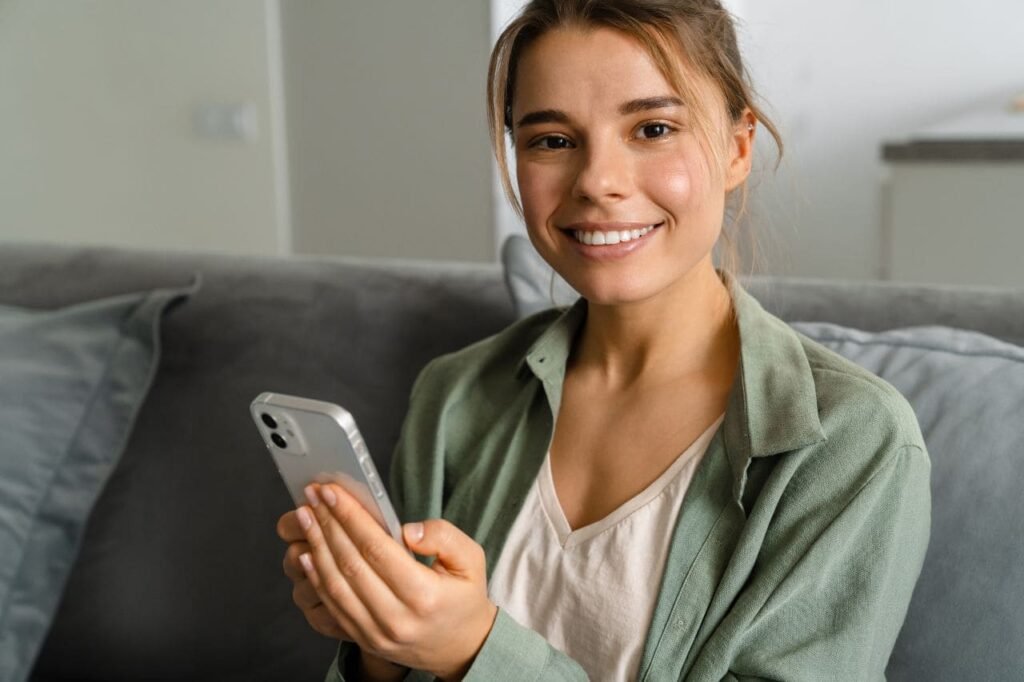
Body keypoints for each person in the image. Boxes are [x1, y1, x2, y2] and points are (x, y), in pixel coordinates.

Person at [276, 1, 931, 680]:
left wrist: (475, 649)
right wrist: (383, 646)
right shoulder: (456, 394)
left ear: (739, 148)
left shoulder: (849, 441)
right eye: (552, 140)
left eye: (653, 128)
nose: (597, 183)